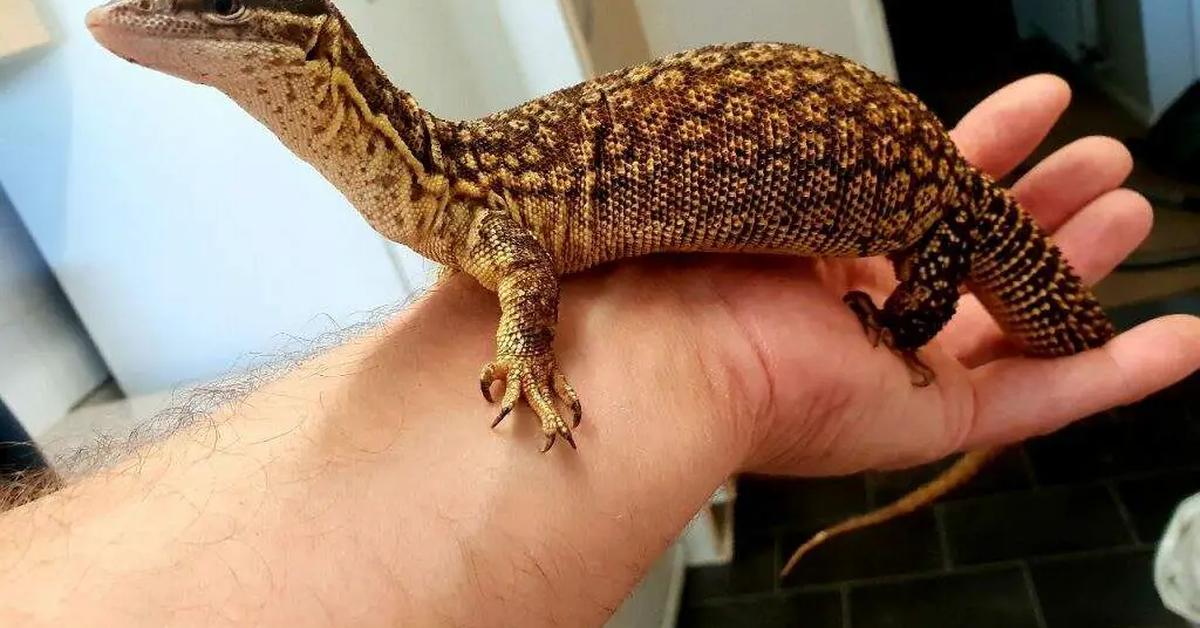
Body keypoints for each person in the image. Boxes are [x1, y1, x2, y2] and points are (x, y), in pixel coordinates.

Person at [1, 75, 1197, 627]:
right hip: (900, 192)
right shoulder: (460, 180)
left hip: (929, 202)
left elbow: (522, 270)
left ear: (314, 57)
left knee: (1045, 324)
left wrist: (905, 327)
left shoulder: (474, 195)